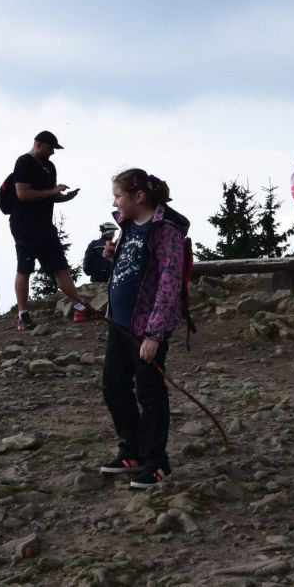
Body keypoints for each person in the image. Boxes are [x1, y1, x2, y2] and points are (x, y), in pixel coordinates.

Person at [98, 168, 190, 490]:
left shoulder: (166, 230)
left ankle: (157, 462)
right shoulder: (127, 225)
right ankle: (132, 451)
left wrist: (154, 334)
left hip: (147, 327)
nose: (115, 202)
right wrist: (114, 257)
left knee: (150, 392)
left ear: (139, 196)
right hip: (119, 323)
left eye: (118, 196)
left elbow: (169, 282)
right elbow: (137, 268)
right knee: (113, 385)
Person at [8, 131, 84, 331]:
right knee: (25, 268)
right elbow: (23, 194)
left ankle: (79, 308)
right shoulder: (23, 162)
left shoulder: (49, 167)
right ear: (39, 144)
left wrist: (64, 197)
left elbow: (50, 196)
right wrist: (53, 191)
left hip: (45, 225)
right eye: (50, 148)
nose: (52, 153)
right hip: (24, 225)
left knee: (60, 266)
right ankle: (23, 315)